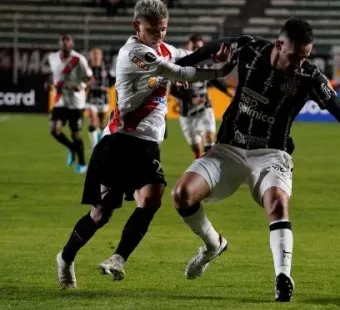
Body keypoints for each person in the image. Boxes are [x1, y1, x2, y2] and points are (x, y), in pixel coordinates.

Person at [172, 17, 340, 302]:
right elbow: (213, 47)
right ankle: (212, 245)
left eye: (305, 57)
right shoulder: (249, 49)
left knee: (277, 202)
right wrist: (182, 65)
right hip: (228, 148)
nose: (299, 63)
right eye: (295, 56)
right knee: (181, 194)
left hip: (272, 153)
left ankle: (283, 277)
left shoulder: (309, 77)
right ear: (279, 45)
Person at [55, 0, 232, 289]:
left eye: (163, 29)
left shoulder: (164, 48)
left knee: (151, 198)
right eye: (153, 29)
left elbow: (191, 56)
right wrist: (218, 73)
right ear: (136, 26)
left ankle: (118, 259)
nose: (159, 34)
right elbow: (177, 72)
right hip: (118, 142)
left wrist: (224, 47)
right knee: (101, 214)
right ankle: (65, 258)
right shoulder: (133, 52)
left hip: (147, 144)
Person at [170, 34, 234, 158]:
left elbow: (213, 80)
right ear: (187, 47)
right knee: (196, 151)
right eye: (194, 47)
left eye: (199, 48)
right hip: (187, 113)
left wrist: (227, 92)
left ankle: (207, 170)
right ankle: (199, 165)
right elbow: (173, 91)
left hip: (205, 108)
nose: (196, 51)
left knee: (209, 140)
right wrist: (191, 99)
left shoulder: (205, 64)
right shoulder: (179, 66)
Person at [48, 34, 94, 174]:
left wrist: (82, 86)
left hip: (76, 102)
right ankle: (71, 148)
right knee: (54, 130)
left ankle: (81, 163)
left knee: (75, 135)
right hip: (60, 99)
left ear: (72, 44)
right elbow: (55, 75)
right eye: (63, 41)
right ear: (59, 43)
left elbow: (90, 78)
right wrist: (50, 82)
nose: (65, 44)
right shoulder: (52, 57)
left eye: (68, 41)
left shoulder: (79, 59)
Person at [86, 47, 111, 150]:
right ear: (91, 56)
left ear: (101, 56)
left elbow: (112, 82)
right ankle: (94, 147)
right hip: (91, 97)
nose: (96, 56)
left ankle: (100, 144)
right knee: (92, 120)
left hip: (103, 98)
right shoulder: (86, 69)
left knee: (101, 124)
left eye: (98, 54)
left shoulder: (107, 69)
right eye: (94, 54)